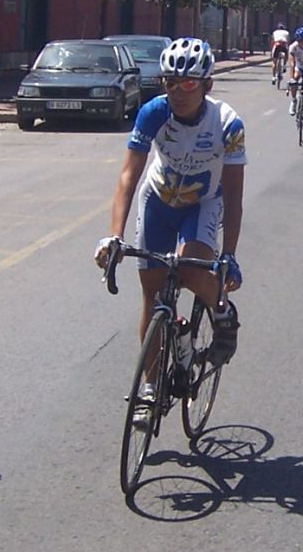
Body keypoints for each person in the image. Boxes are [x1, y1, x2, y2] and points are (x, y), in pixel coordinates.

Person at [95, 38, 245, 423]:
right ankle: (151, 389)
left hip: (203, 203)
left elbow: (233, 195)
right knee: (152, 292)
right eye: (170, 82)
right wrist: (114, 236)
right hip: (159, 200)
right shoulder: (153, 113)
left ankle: (222, 311)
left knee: (191, 268)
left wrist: (229, 253)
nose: (178, 91)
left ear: (207, 85)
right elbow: (128, 176)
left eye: (188, 83)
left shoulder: (228, 124)